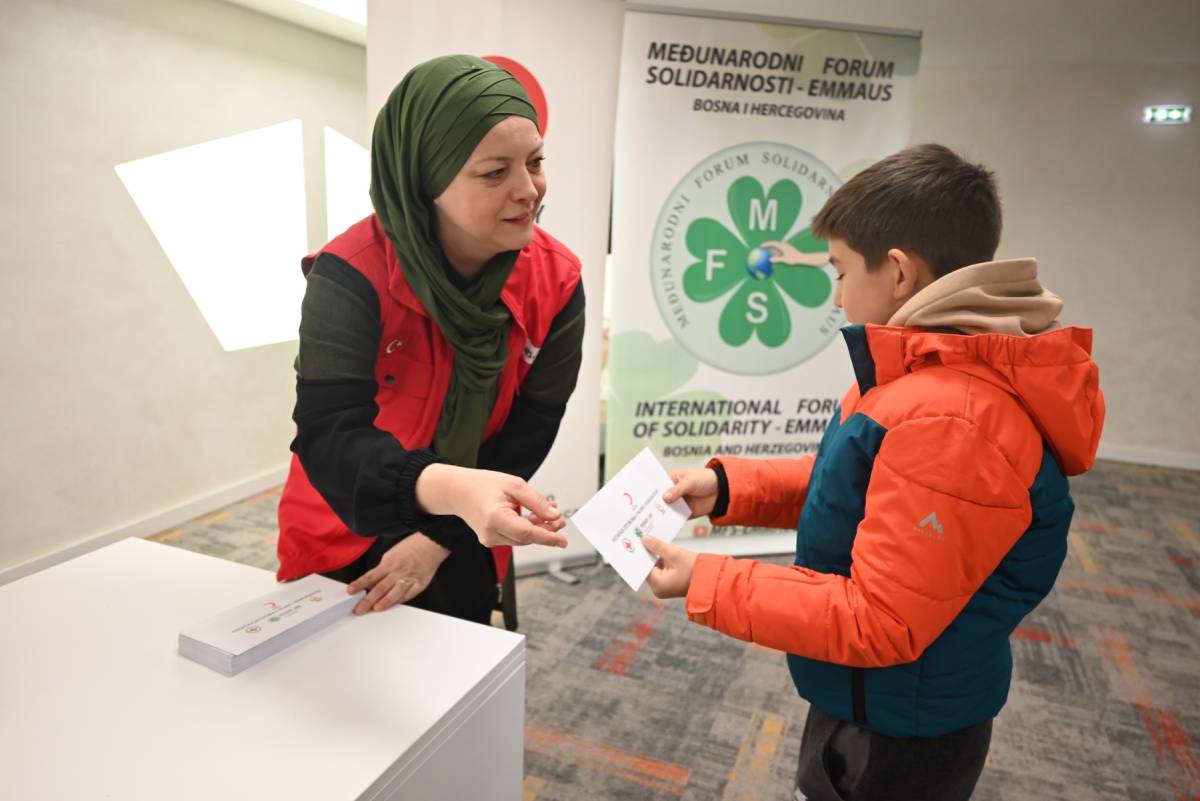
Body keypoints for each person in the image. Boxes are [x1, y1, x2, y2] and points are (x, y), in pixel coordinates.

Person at [641, 144, 1105, 800]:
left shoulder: (951, 418)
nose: (835, 294)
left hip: (901, 731)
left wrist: (706, 580)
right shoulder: (927, 376)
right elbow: (861, 490)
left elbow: (880, 620)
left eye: (839, 270)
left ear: (899, 273)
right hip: (875, 698)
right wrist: (729, 489)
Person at [275, 55, 586, 625]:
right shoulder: (350, 273)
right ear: (425, 178)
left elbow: (533, 425)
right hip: (343, 512)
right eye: (495, 172)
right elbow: (330, 433)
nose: (529, 191)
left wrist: (440, 534)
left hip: (465, 524)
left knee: (456, 660)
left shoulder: (557, 279)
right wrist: (449, 493)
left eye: (536, 162)